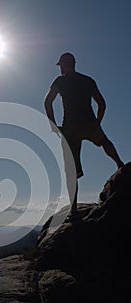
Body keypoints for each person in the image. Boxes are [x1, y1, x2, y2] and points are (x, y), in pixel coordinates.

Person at [44, 52, 124, 221]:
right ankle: (120, 164)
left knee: (70, 171)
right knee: (104, 142)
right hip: (89, 123)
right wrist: (97, 122)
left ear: (65, 65)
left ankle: (73, 211)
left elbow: (47, 101)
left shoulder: (60, 81)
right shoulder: (88, 80)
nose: (60, 69)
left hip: (70, 128)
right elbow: (101, 103)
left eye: (61, 66)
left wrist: (53, 125)